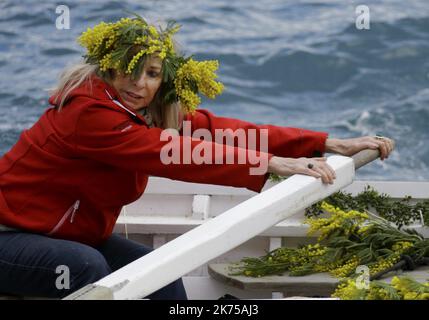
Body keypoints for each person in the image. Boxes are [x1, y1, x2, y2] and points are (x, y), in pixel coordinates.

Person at [0, 14, 394, 299]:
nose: (139, 83)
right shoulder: (89, 114)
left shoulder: (141, 112)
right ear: (107, 69)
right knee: (88, 269)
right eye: (128, 70)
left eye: (152, 73)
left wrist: (325, 143)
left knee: (158, 275)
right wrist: (271, 164)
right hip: (10, 235)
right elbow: (175, 154)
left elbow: (221, 131)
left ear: (164, 80)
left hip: (69, 236)